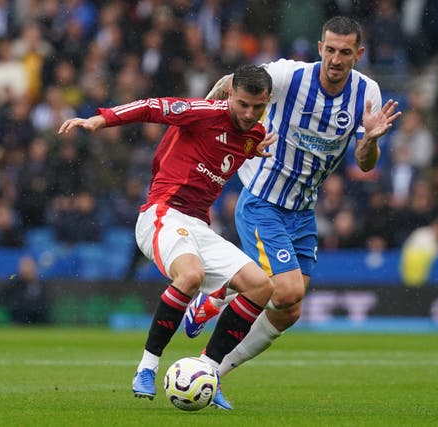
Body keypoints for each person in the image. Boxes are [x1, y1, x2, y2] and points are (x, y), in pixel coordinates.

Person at [184, 16, 401, 376]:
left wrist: (373, 140)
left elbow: (365, 164)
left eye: (344, 52)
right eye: (329, 49)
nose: (335, 59)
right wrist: (207, 109)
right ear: (320, 48)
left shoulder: (367, 94)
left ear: (358, 54)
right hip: (263, 201)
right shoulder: (289, 76)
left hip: (302, 211)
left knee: (290, 309)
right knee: (285, 291)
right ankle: (208, 358)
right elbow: (235, 83)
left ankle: (216, 368)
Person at [57, 65, 276, 410]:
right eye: (244, 104)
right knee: (191, 275)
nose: (249, 114)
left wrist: (253, 149)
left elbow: (227, 149)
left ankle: (209, 371)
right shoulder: (203, 113)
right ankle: (146, 367)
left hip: (199, 227)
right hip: (162, 213)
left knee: (261, 286)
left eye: (257, 107)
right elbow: (149, 106)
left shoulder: (254, 134)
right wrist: (102, 119)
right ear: (232, 95)